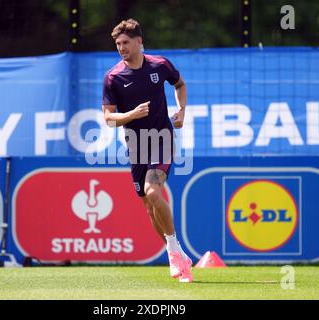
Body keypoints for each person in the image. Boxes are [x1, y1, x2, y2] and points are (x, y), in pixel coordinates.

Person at [102, 19, 193, 283]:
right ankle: (175, 252)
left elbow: (180, 84)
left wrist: (182, 111)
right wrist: (131, 114)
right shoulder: (113, 77)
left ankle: (174, 253)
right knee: (148, 205)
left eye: (126, 43)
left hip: (162, 137)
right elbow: (108, 118)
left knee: (154, 191)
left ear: (140, 41)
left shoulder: (160, 65)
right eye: (118, 44)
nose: (121, 48)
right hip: (136, 146)